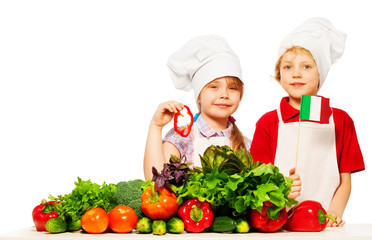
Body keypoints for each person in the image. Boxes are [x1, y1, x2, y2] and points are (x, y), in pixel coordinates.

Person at [250, 17, 365, 227]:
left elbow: (345, 178)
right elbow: (257, 182)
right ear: (279, 75)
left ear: (320, 72)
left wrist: (334, 212)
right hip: (277, 224)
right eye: (287, 67)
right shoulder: (267, 122)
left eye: (306, 66)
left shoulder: (341, 120)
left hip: (324, 223)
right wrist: (281, 188)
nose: (296, 73)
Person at [143, 35, 250, 181]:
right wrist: (156, 127)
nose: (224, 94)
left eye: (233, 88)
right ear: (198, 95)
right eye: (214, 87)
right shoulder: (182, 136)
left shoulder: (246, 144)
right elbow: (155, 180)